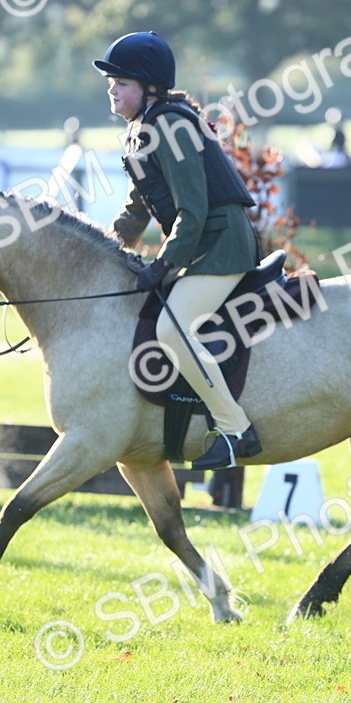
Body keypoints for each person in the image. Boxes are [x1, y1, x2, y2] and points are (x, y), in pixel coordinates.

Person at [94, 31, 263, 469]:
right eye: (111, 82)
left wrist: (166, 262)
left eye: (121, 82)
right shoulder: (139, 131)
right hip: (201, 243)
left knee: (172, 330)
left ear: (150, 87)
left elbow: (194, 208)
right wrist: (104, 253)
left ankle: (235, 431)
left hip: (221, 244)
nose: (112, 89)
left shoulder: (169, 125)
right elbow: (137, 209)